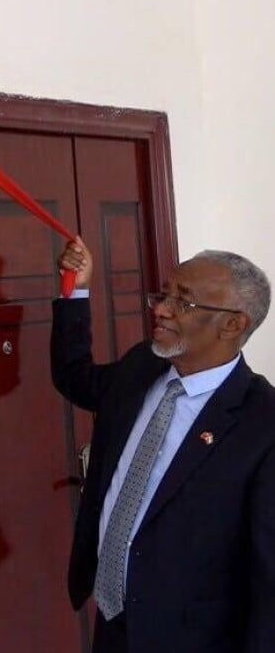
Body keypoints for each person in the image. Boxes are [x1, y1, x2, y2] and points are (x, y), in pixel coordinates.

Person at [52, 236, 275, 653]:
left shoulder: (262, 424)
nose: (160, 308)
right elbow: (75, 377)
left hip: (192, 637)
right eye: (164, 294)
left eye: (183, 302)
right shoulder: (143, 366)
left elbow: (268, 576)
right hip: (114, 621)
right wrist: (75, 288)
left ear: (233, 324)